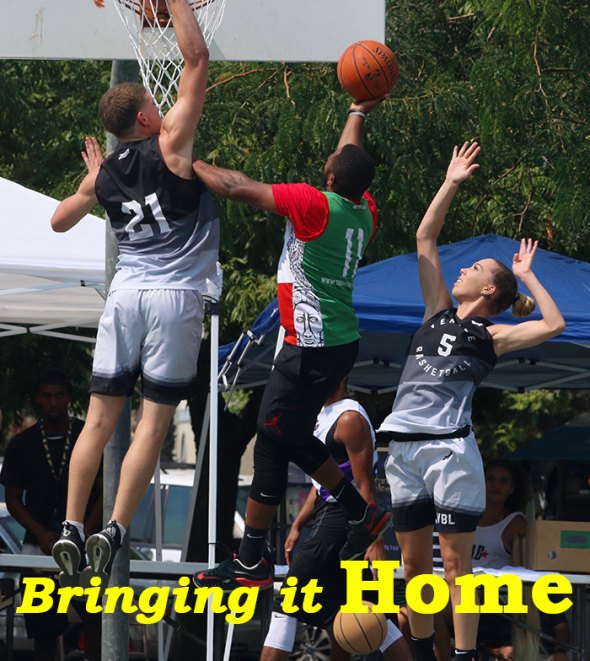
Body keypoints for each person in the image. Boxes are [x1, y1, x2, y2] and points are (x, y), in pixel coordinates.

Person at [50, 0, 217, 588]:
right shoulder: (172, 144)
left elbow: (58, 222)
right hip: (174, 297)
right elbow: (195, 57)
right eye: (155, 102)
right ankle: (115, 528)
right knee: (153, 419)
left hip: (124, 298)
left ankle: (71, 525)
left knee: (97, 421)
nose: (161, 105)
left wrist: (92, 181)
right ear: (148, 118)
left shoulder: (105, 173)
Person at [193, 98, 392, 591]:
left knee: (272, 437)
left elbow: (238, 186)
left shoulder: (313, 204)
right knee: (288, 433)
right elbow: (349, 157)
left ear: (328, 177)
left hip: (310, 341)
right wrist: (356, 110)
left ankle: (252, 560)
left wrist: (187, 159)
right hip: (331, 339)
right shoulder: (362, 210)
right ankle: (356, 512)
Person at [378, 141, 565, 661]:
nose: (462, 270)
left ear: (488, 291)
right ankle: (419, 651)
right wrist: (451, 182)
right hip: (405, 452)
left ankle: (462, 656)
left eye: (475, 268)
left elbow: (554, 324)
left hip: (450, 453)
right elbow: (424, 236)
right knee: (414, 569)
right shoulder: (435, 310)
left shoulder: (493, 336)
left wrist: (527, 276)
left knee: (456, 569)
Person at [260, 378, 410, 661]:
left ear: (340, 375)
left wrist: (374, 540)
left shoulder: (350, 418)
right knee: (362, 611)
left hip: (345, 523)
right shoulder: (320, 416)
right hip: (328, 519)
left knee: (286, 603)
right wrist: (297, 525)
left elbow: (366, 486)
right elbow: (324, 485)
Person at [0, 370, 102, 661]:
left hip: (85, 548)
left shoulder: (88, 436)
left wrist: (83, 531)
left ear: (69, 397)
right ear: (38, 399)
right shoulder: (22, 443)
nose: (53, 402)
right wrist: (42, 533)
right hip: (37, 546)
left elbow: (104, 492)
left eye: (59, 396)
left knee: (95, 620)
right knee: (43, 628)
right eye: (47, 396)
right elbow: (13, 499)